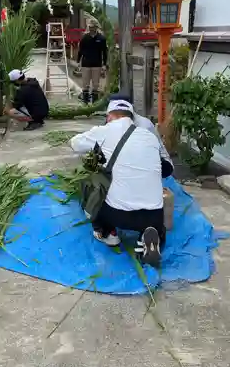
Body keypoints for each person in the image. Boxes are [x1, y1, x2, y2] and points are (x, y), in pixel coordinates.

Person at [70, 99, 165, 268]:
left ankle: (109, 233)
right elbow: (166, 168)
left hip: (119, 214)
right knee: (150, 211)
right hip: (155, 214)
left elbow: (75, 143)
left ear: (109, 116)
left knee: (92, 182)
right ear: (132, 117)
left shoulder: (104, 131)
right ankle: (149, 235)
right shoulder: (149, 135)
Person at [108, 93, 174, 177]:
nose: (110, 117)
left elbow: (143, 153)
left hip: (158, 165)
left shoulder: (143, 125)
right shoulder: (112, 121)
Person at [77, 20, 107, 104]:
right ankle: (85, 103)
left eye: (92, 27)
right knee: (85, 85)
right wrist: (78, 62)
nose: (91, 28)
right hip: (85, 64)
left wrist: (104, 64)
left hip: (97, 64)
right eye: (90, 27)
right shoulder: (84, 38)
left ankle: (95, 104)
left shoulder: (101, 38)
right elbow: (80, 50)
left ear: (96, 27)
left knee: (95, 85)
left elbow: (104, 52)